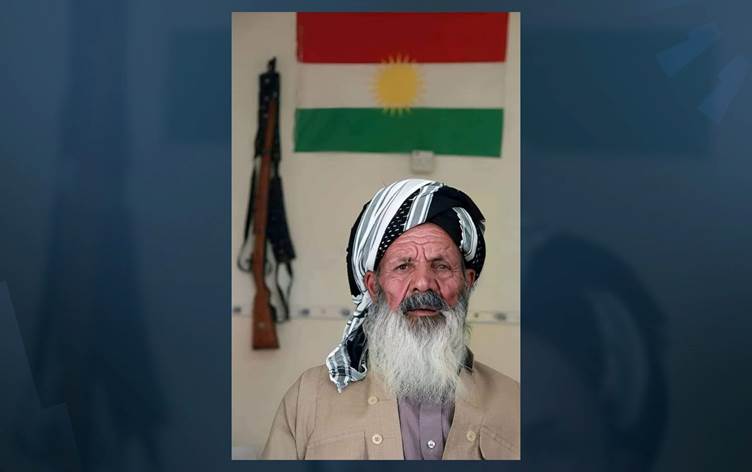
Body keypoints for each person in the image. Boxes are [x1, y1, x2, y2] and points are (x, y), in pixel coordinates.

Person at [260, 179, 519, 460]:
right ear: (373, 286)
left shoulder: (514, 403)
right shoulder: (309, 399)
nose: (423, 283)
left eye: (442, 266)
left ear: (467, 282)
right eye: (403, 266)